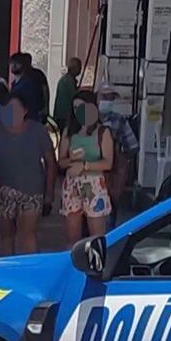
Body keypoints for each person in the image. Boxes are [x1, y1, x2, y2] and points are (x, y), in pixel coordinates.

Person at [0, 92, 57, 255]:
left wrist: (49, 193)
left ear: (25, 111)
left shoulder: (38, 131)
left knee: (28, 234)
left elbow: (51, 162)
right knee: (6, 236)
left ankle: (29, 268)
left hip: (32, 190)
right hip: (2, 191)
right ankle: (9, 269)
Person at [58, 90, 114, 245]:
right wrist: (71, 160)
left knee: (96, 238)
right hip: (72, 185)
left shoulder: (103, 132)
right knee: (72, 239)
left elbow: (108, 163)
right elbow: (61, 161)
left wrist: (84, 166)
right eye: (75, 108)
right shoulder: (69, 131)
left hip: (94, 185)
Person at [97, 83, 139, 229]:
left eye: (111, 98)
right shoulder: (85, 119)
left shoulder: (119, 121)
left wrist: (119, 164)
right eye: (104, 97)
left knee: (108, 215)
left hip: (111, 178)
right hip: (89, 175)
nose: (107, 101)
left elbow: (132, 147)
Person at [10, 52, 46, 122]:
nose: (13, 65)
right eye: (12, 62)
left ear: (24, 65)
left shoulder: (27, 84)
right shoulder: (15, 84)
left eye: (17, 63)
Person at [54, 57, 82, 132]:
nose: (80, 70)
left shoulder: (66, 79)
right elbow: (75, 96)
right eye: (79, 67)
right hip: (65, 116)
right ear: (74, 68)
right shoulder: (69, 80)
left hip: (62, 115)